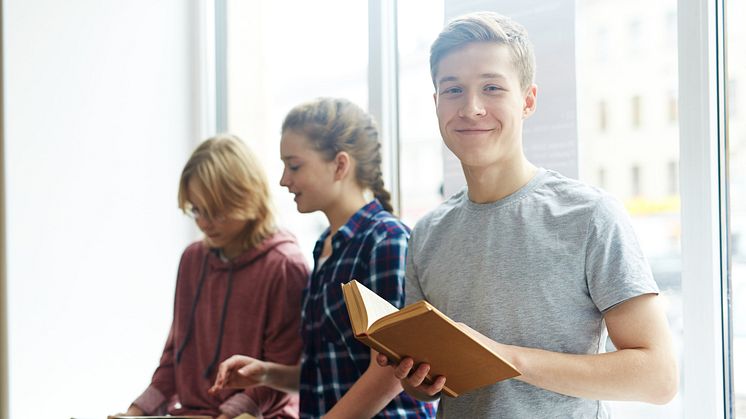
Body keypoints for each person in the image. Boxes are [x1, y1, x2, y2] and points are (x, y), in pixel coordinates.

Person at [376, 11, 679, 418]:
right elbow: (432, 390)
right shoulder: (428, 232)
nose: (471, 107)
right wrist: (421, 381)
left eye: (491, 87)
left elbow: (657, 377)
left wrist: (504, 359)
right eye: (453, 90)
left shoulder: (589, 216)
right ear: (436, 104)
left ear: (528, 100)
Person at [209, 98, 436, 418]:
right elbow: (329, 375)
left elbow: (391, 372)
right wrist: (267, 373)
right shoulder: (324, 248)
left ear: (340, 165)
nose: (284, 180)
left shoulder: (386, 240)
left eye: (295, 165)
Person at [115, 135, 309, 419]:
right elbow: (173, 358)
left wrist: (229, 415)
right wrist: (135, 412)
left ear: (248, 197)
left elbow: (283, 374)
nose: (204, 223)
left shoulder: (285, 266)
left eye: (216, 211)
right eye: (196, 210)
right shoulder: (192, 260)